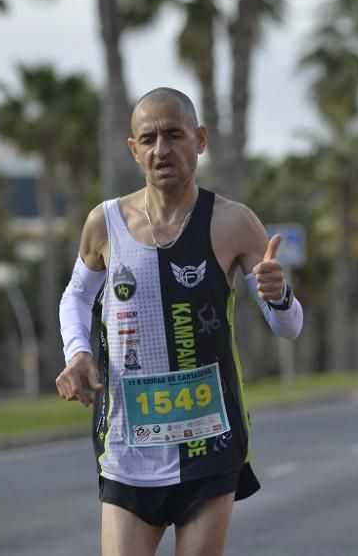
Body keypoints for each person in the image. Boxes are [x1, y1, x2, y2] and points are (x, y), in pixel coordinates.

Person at [54, 87, 304, 556]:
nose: (160, 149)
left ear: (200, 139)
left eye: (174, 134)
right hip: (128, 441)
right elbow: (76, 295)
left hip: (210, 438)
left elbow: (287, 327)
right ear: (133, 149)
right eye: (147, 139)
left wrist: (280, 295)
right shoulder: (105, 222)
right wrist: (78, 352)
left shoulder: (233, 222)